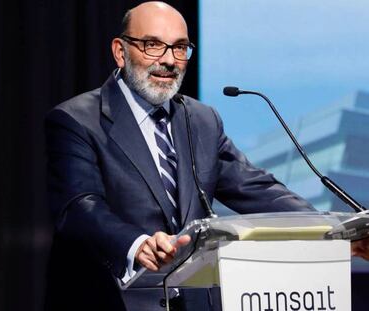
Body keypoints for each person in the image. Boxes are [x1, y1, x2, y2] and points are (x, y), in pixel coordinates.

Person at [44, 2, 369, 311]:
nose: (169, 60)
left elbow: (259, 190)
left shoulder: (201, 120)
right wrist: (137, 244)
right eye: (153, 45)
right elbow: (79, 207)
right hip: (111, 301)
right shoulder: (77, 119)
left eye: (179, 47)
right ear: (120, 51)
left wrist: (334, 234)